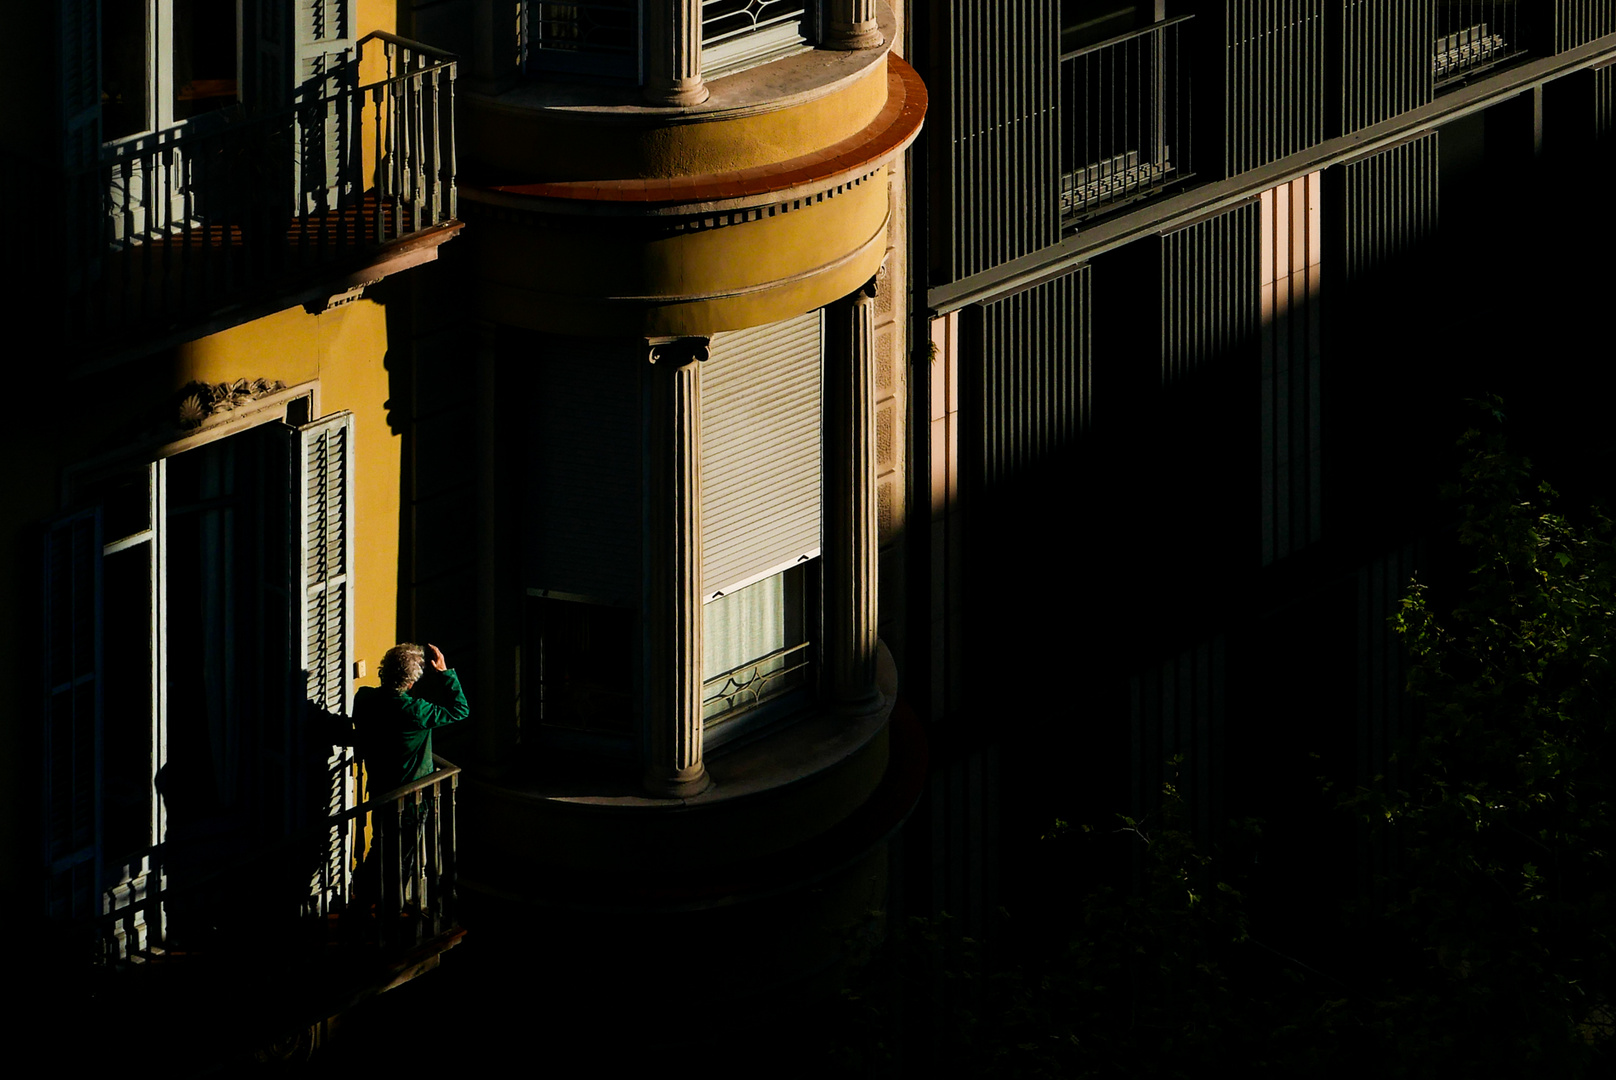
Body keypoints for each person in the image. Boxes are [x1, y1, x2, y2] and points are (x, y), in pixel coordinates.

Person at [353, 642, 469, 797]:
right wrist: (444, 673)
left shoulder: (364, 697)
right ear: (410, 683)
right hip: (410, 796)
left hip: (380, 790)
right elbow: (460, 709)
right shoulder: (415, 711)